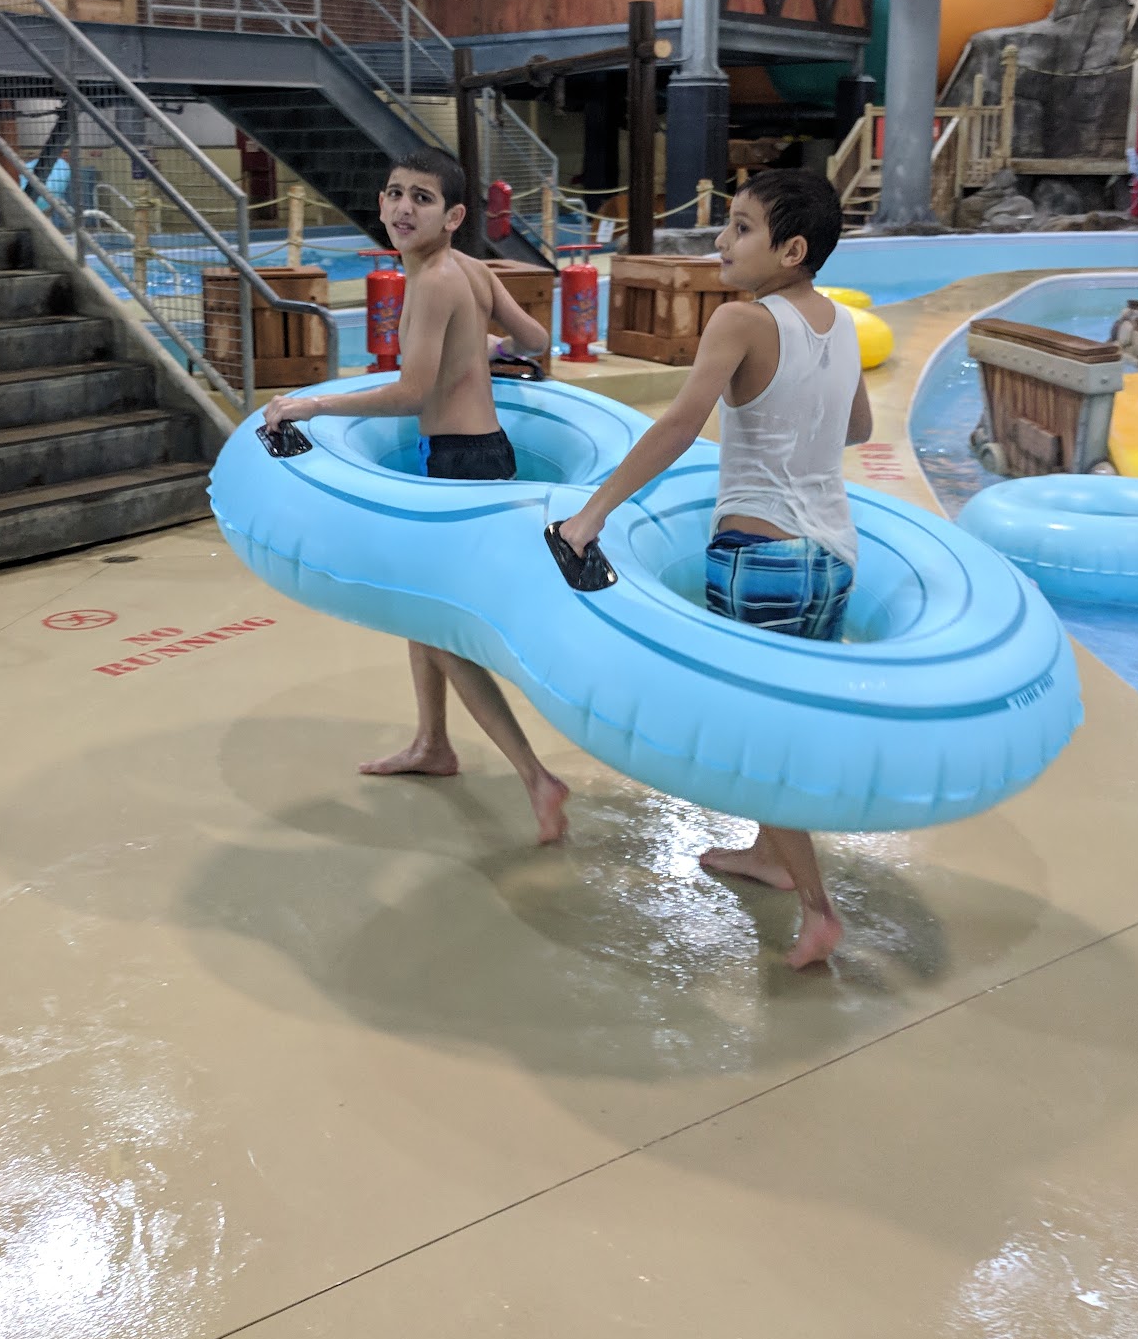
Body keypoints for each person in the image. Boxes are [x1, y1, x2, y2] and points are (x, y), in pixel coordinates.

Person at [557, 168, 873, 967]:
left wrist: (593, 515)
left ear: (791, 250)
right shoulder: (840, 322)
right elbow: (857, 427)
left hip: (760, 560)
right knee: (785, 717)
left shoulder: (741, 321)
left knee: (756, 737)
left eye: (741, 227)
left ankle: (818, 909)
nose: (722, 241)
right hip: (832, 557)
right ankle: (771, 855)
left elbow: (678, 426)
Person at [264, 150, 570, 844]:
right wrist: (482, 351)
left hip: (459, 465)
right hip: (486, 454)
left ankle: (536, 777)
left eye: (423, 198)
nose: (404, 208)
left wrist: (313, 405)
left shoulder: (433, 281)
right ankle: (433, 742)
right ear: (380, 202)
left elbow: (410, 394)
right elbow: (537, 339)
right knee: (421, 613)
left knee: (444, 633)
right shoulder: (474, 270)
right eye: (395, 194)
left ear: (453, 215)